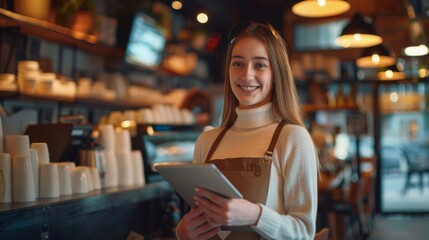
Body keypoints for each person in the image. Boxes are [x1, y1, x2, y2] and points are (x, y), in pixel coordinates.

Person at [175, 21, 318, 240]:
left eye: (260, 65)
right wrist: (184, 233)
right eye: (238, 64)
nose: (246, 75)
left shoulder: (292, 137)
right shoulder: (207, 140)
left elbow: (304, 232)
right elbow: (201, 222)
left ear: (276, 73)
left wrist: (255, 215)